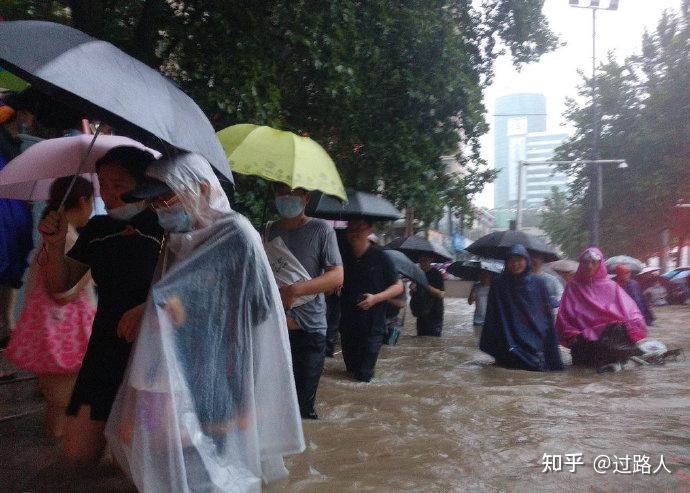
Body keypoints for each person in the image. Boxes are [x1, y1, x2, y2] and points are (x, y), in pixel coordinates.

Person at [105, 152, 304, 491]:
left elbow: (256, 307)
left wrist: (185, 303)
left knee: (219, 462)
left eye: (166, 198)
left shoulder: (236, 233)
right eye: (154, 203)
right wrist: (155, 308)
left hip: (225, 367)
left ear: (199, 188)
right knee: (182, 457)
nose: (160, 209)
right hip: (181, 367)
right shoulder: (178, 237)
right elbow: (168, 290)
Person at [38, 146, 162, 467]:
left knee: (131, 462)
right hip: (104, 344)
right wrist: (54, 246)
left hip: (148, 347)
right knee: (78, 455)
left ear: (144, 183)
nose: (108, 194)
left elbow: (185, 290)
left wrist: (148, 306)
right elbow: (60, 283)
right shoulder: (96, 228)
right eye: (103, 185)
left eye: (119, 184)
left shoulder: (164, 226)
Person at [6, 176, 96, 437]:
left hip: (49, 329)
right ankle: (66, 444)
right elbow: (63, 293)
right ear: (82, 201)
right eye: (91, 202)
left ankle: (55, 436)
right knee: (65, 395)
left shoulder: (56, 232)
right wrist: (88, 273)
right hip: (66, 332)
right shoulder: (67, 238)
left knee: (54, 396)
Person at [263, 184, 343, 420]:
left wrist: (295, 290)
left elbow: (337, 275)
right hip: (274, 329)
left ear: (305, 198)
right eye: (280, 192)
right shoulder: (266, 232)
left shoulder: (321, 230)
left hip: (309, 332)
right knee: (272, 406)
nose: (286, 198)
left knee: (302, 410)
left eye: (293, 193)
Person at [555, 247, 647, 368]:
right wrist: (573, 334)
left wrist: (631, 325)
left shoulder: (611, 287)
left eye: (593, 262)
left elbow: (631, 312)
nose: (589, 266)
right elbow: (564, 316)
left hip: (609, 340)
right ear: (581, 264)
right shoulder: (572, 287)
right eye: (585, 262)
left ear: (600, 264)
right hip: (583, 343)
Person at [479, 244, 563, 372]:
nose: (515, 264)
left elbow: (545, 313)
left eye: (519, 260)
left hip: (534, 339)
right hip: (507, 340)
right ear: (506, 262)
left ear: (526, 261)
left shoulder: (539, 283)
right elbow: (492, 314)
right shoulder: (498, 283)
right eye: (511, 260)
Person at [340, 218, 403, 382]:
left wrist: (375, 298)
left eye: (359, 228)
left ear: (369, 231)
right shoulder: (343, 255)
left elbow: (398, 287)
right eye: (351, 228)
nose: (354, 232)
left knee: (363, 375)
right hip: (348, 324)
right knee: (349, 373)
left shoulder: (381, 256)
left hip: (372, 326)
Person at [0, 95, 35, 369]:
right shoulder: (6, 143)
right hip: (7, 217)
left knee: (10, 273)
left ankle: (7, 326)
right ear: (21, 114)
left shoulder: (14, 144)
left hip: (14, 218)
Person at [411, 254, 445, 336]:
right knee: (420, 340)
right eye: (421, 260)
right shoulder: (416, 274)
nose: (423, 262)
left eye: (425, 260)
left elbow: (441, 294)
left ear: (431, 260)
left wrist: (424, 285)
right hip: (421, 313)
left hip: (434, 314)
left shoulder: (436, 274)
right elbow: (413, 294)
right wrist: (413, 289)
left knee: (434, 341)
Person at [468, 270, 492, 339]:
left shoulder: (494, 287)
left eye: (486, 277)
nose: (483, 278)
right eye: (482, 276)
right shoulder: (476, 286)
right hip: (477, 319)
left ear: (490, 277)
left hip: (490, 319)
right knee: (477, 339)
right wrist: (472, 296)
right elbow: (470, 303)